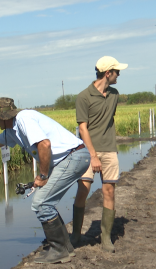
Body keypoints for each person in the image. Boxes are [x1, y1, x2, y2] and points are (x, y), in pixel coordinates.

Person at [0, 97, 90, 264]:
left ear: (4, 116)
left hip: (73, 157)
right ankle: (65, 247)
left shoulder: (24, 119)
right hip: (69, 158)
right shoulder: (12, 130)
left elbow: (44, 145)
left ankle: (59, 250)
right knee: (46, 202)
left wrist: (43, 176)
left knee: (41, 203)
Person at [71, 56, 128, 253]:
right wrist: (93, 155)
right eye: (117, 71)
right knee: (83, 190)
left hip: (110, 149)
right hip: (88, 152)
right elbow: (83, 129)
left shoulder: (114, 95)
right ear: (107, 73)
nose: (119, 74)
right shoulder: (83, 97)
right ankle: (76, 235)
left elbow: (107, 120)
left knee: (109, 191)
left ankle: (105, 238)